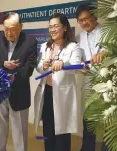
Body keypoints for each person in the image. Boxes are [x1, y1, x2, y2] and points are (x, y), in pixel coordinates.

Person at [0, 12, 38, 151]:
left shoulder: (30, 42)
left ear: (21, 27)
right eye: (6, 28)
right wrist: (3, 64)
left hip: (19, 91)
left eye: (13, 28)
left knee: (20, 131)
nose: (9, 32)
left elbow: (29, 68)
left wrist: (14, 76)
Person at [34, 13, 82, 151]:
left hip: (63, 94)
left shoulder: (73, 47)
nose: (52, 30)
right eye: (50, 27)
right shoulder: (45, 46)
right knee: (48, 129)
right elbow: (38, 68)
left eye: (56, 26)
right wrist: (43, 65)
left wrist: (63, 62)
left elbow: (76, 66)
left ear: (65, 27)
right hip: (47, 92)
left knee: (62, 132)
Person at [75, 3, 108, 151]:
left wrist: (104, 54)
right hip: (88, 81)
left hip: (107, 81)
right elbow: (75, 59)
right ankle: (87, 147)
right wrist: (79, 66)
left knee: (108, 116)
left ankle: (107, 147)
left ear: (94, 16)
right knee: (88, 118)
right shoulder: (78, 37)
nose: (84, 22)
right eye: (80, 20)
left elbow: (115, 51)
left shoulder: (107, 31)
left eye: (87, 18)